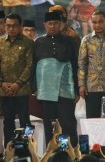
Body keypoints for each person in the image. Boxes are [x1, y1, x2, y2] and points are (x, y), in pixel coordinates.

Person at [34, 12, 78, 147]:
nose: (53, 26)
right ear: (45, 25)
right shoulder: (39, 42)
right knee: (50, 126)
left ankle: (71, 154)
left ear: (61, 24)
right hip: (46, 92)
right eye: (50, 23)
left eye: (56, 23)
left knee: (68, 124)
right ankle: (51, 154)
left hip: (65, 89)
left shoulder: (69, 41)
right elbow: (34, 66)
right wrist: (35, 88)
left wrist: (76, 89)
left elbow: (75, 65)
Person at [0, 13, 33, 146]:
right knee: (7, 121)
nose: (11, 28)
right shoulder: (0, 42)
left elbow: (30, 66)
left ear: (20, 27)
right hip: (4, 91)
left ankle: (29, 148)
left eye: (14, 26)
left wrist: (17, 84)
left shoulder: (28, 43)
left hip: (22, 91)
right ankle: (9, 150)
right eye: (8, 25)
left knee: (25, 121)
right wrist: (2, 84)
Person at [78, 11, 105, 118]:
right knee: (92, 120)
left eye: (100, 22)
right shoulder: (86, 40)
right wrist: (81, 84)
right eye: (94, 22)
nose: (97, 25)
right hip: (92, 87)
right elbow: (82, 63)